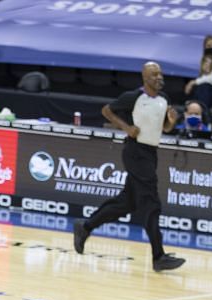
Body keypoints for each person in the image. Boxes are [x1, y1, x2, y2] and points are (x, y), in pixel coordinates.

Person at [73, 62, 184, 271]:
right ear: (145, 78)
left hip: (150, 153)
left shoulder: (164, 100)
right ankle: (158, 256)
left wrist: (171, 122)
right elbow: (106, 110)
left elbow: (164, 128)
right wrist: (126, 127)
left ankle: (85, 227)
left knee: (126, 203)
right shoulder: (134, 97)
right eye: (154, 74)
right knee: (151, 203)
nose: (159, 77)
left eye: (160, 74)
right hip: (135, 152)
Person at [185, 35, 212, 111]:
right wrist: (206, 70)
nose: (211, 47)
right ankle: (196, 109)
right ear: (205, 47)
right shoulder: (206, 58)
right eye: (209, 46)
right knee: (201, 89)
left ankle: (203, 115)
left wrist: (192, 82)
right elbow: (205, 78)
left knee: (202, 89)